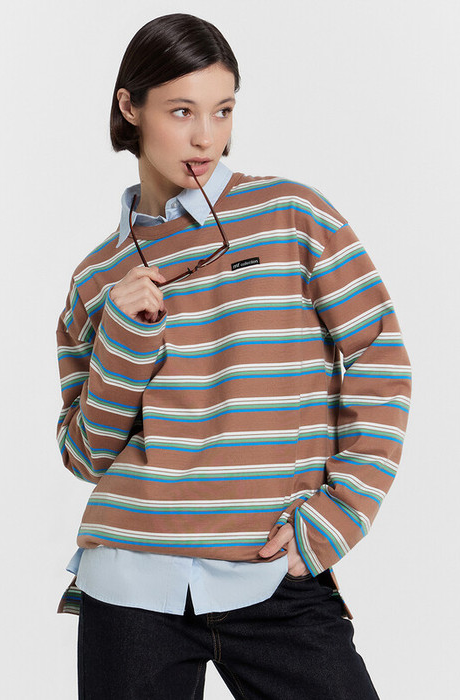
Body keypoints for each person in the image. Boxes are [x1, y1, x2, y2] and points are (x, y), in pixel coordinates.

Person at [55, 13, 411, 700]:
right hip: (129, 583)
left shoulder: (292, 215)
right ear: (130, 107)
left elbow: (380, 360)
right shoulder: (97, 277)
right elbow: (85, 453)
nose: (205, 137)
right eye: (181, 111)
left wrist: (338, 516)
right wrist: (125, 339)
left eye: (222, 111)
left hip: (272, 566)